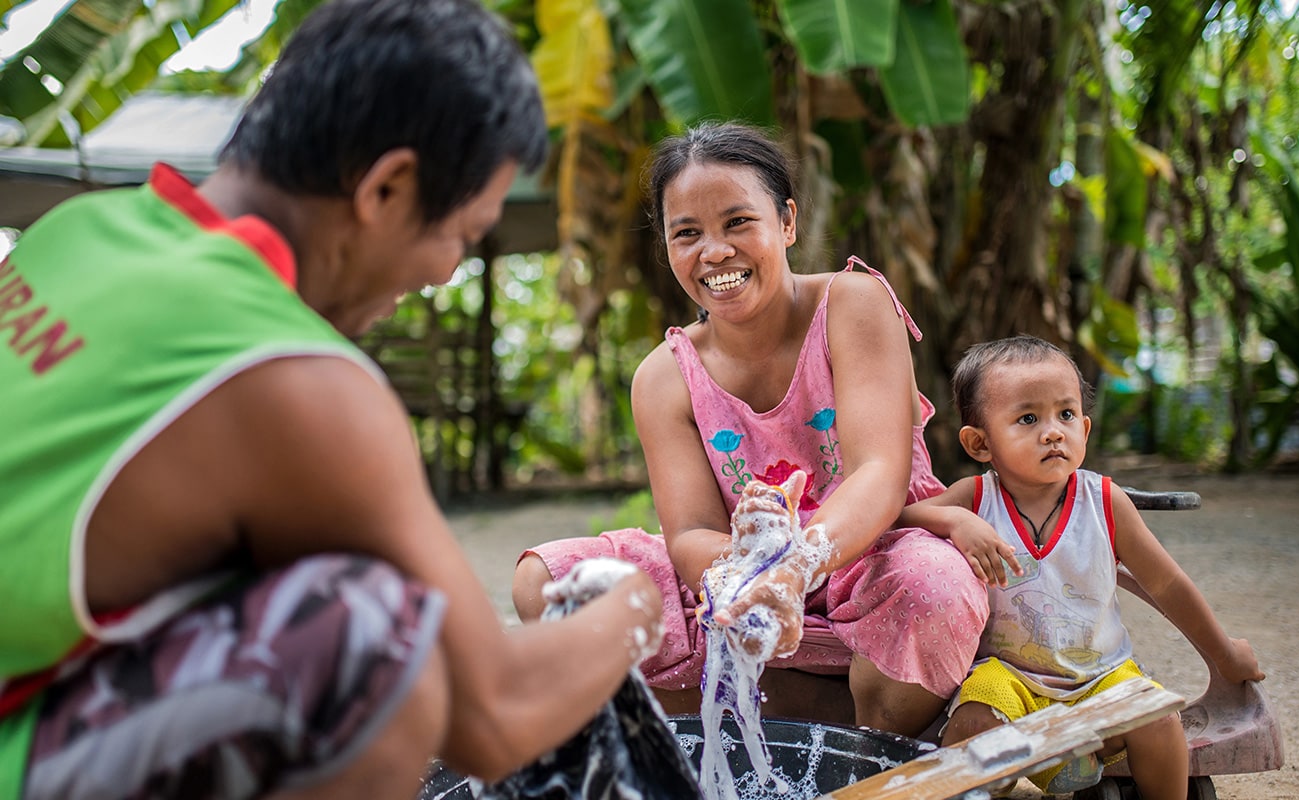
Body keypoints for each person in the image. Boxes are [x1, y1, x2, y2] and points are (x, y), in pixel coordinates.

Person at [0, 1, 664, 798]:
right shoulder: (293, 380)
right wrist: (638, 601)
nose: (448, 270)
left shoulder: (82, 230)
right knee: (374, 641)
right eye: (461, 234)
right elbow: (495, 715)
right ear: (387, 188)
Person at [512, 122, 990, 739]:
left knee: (933, 588)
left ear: (787, 222)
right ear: (667, 246)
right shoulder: (663, 377)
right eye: (687, 233)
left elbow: (880, 473)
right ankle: (829, 716)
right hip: (745, 575)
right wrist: (751, 581)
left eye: (738, 222)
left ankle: (849, 726)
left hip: (873, 554)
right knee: (549, 585)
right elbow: (691, 534)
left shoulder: (853, 303)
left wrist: (799, 564)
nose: (714, 252)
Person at [900, 334, 1265, 797]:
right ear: (979, 443)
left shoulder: (1105, 502)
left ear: (1085, 431)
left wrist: (1225, 654)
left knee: (1158, 718)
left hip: (1101, 676)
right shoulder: (975, 499)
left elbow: (1168, 585)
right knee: (972, 723)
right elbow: (897, 515)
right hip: (1009, 679)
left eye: (1066, 414)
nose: (1053, 431)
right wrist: (952, 520)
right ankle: (1019, 773)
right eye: (1028, 418)